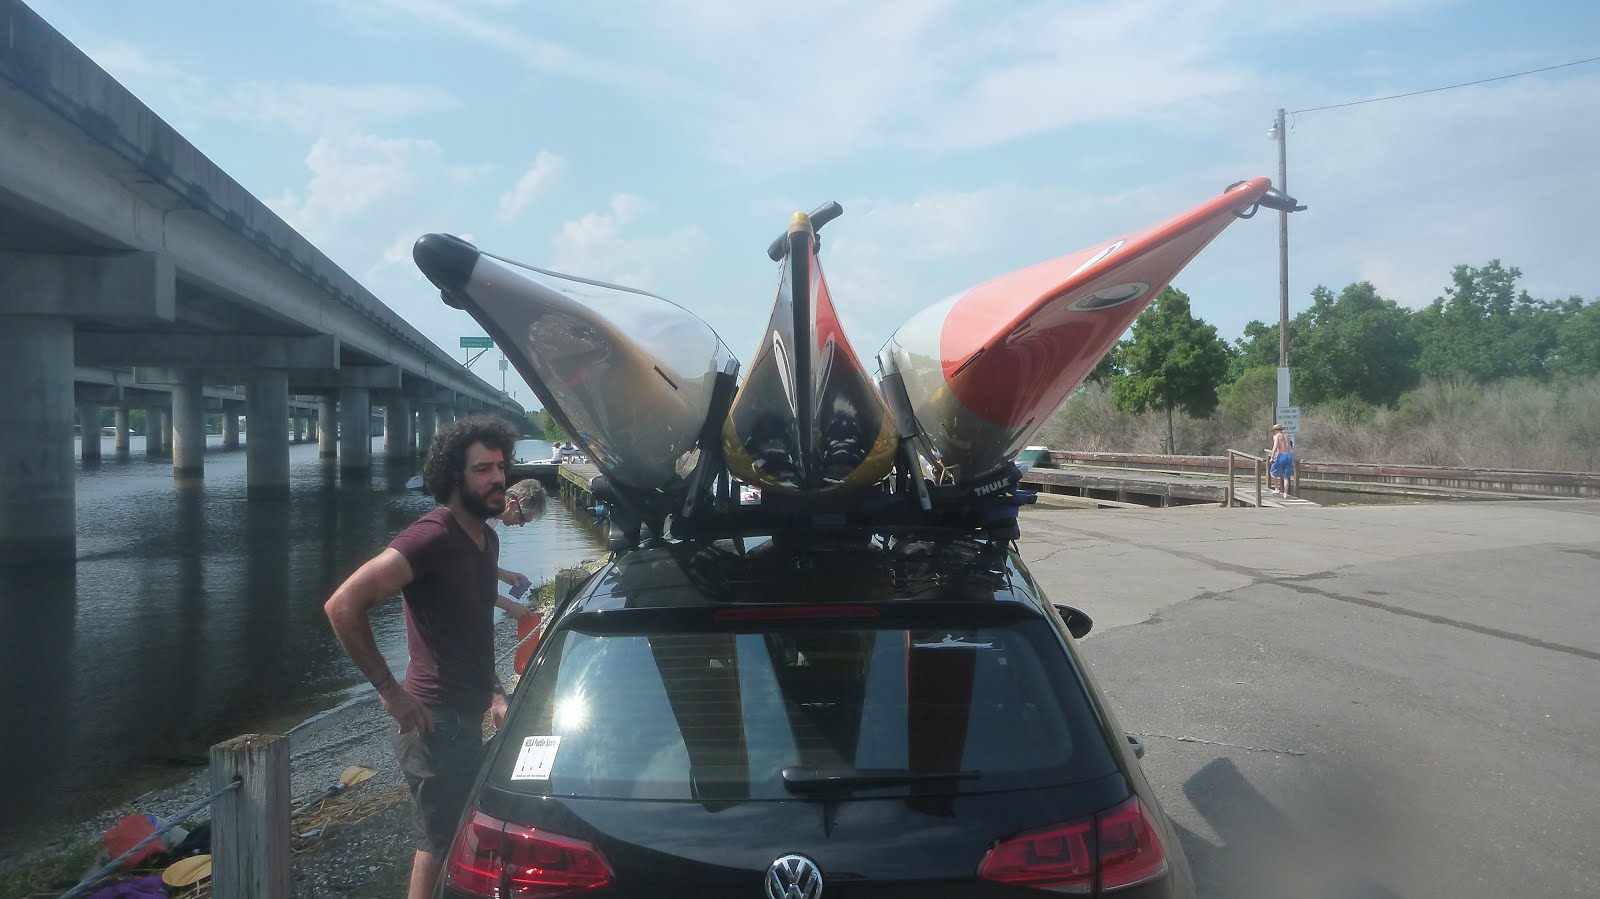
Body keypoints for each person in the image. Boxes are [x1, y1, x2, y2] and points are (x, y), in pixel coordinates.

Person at [322, 415, 531, 899]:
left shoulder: (486, 537)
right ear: (453, 477)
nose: (498, 478)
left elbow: (473, 632)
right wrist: (389, 691)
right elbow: (342, 605)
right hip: (433, 724)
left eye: (501, 466)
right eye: (482, 469)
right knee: (437, 845)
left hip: (467, 714)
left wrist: (496, 692)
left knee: (461, 833)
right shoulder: (431, 536)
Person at [1269, 423, 1294, 496]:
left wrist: (1272, 457)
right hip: (1289, 456)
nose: (1273, 432)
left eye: (1273, 431)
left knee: (1272, 473)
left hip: (1281, 456)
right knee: (1286, 476)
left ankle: (1277, 489)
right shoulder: (1286, 436)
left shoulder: (1276, 436)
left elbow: (1275, 446)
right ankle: (1285, 493)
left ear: (1276, 430)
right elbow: (1289, 446)